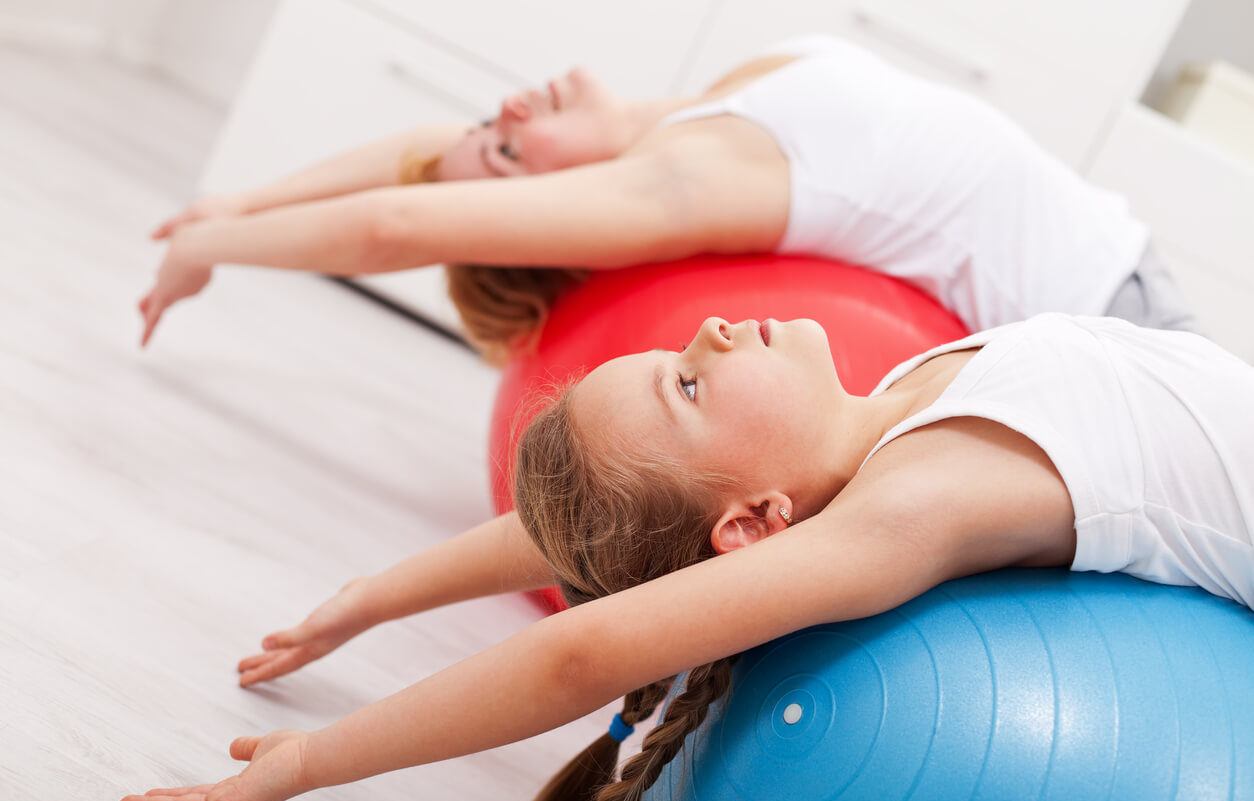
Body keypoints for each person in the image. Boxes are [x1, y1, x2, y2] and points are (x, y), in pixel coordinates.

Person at [119, 312, 1253, 801]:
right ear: (755, 524)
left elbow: (573, 533)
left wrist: (369, 597)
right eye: (688, 389)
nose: (706, 328)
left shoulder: (900, 401)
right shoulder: (916, 502)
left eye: (671, 362)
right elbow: (583, 645)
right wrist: (313, 759)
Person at [139, 35, 1196, 358]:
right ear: (563, 206)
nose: (503, 106)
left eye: (490, 127)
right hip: (1113, 329)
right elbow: (398, 220)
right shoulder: (685, 178)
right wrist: (216, 247)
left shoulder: (700, 112)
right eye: (511, 152)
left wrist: (234, 200)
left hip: (1126, 282)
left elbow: (422, 154)